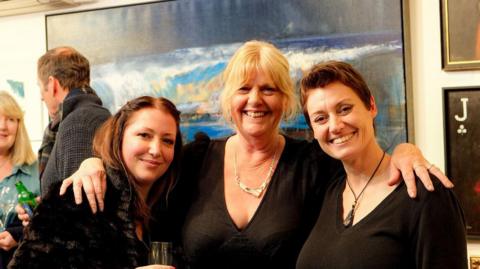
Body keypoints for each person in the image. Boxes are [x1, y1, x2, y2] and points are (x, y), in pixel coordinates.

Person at [57, 41, 452, 269]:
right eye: (244, 88)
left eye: (269, 89)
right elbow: (140, 178)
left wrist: (405, 149)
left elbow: (362, 160)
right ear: (228, 99)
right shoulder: (195, 160)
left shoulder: (313, 165)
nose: (255, 100)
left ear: (284, 101)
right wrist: (94, 163)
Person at [296, 61, 467, 268]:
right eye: (321, 118)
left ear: (372, 106)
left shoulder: (425, 194)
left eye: (344, 109)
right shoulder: (328, 190)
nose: (335, 126)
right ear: (313, 130)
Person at [9, 96, 182, 268]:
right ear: (119, 137)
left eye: (167, 141)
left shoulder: (170, 211)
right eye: (144, 135)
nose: (156, 150)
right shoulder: (76, 199)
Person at [36, 46, 111, 196]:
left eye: (40, 87)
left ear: (52, 85)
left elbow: (78, 205)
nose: (41, 97)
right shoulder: (90, 114)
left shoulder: (79, 124)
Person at [0, 91, 39, 268]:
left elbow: (50, 226)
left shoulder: (38, 170)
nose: (3, 126)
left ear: (19, 125)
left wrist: (19, 236)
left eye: (10, 119)